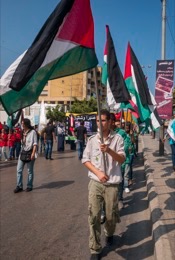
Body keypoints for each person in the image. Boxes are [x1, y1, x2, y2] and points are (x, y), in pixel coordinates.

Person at [82, 109, 125, 259]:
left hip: (112, 184)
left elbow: (121, 159)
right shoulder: (92, 139)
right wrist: (99, 173)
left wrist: (109, 151)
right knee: (93, 215)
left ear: (110, 122)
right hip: (95, 182)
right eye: (98, 120)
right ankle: (95, 248)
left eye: (104, 120)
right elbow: (85, 160)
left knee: (110, 215)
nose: (100, 123)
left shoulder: (117, 139)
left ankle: (109, 232)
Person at [14, 118, 38, 193]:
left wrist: (33, 154)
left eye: (23, 123)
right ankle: (19, 186)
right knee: (19, 169)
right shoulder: (22, 132)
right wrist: (24, 136)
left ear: (27, 124)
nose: (22, 125)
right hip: (23, 152)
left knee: (29, 170)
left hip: (30, 153)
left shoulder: (33, 132)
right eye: (22, 123)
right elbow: (23, 143)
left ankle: (29, 185)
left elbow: (35, 144)